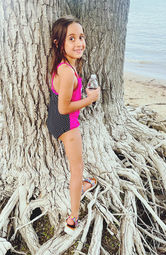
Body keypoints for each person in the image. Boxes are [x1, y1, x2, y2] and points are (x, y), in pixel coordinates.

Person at [46, 16, 100, 234]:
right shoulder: (68, 72)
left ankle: (82, 187)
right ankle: (73, 218)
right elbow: (64, 107)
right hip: (67, 126)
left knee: (76, 168)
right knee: (77, 170)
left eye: (81, 37)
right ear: (59, 43)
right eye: (72, 39)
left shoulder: (62, 66)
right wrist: (90, 99)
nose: (79, 43)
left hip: (55, 124)